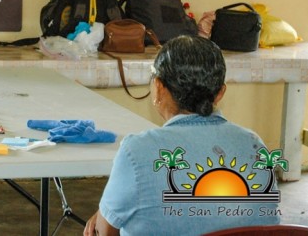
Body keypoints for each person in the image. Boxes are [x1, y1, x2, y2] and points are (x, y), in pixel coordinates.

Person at [84, 35, 281, 236]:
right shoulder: (254, 145)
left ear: (159, 87)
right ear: (220, 93)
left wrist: (104, 214)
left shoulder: (137, 152)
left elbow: (104, 232)